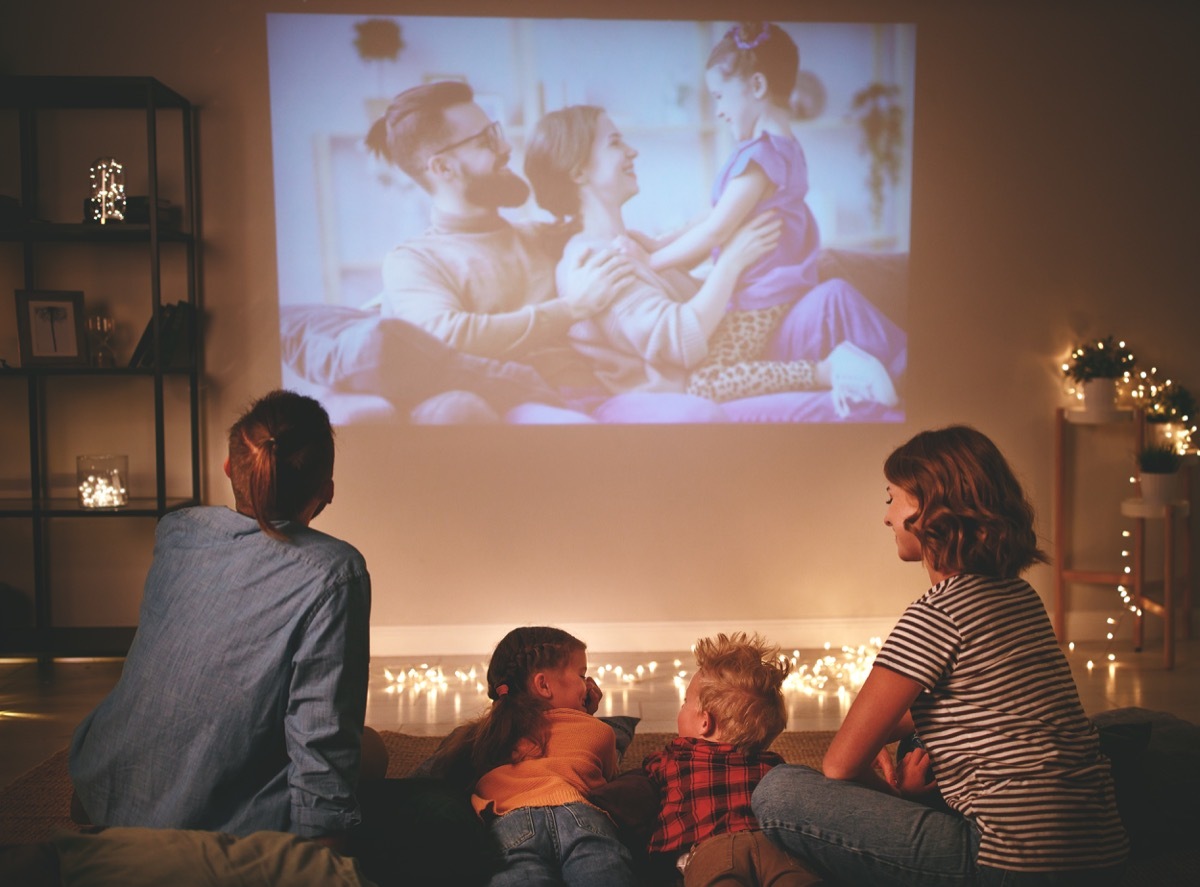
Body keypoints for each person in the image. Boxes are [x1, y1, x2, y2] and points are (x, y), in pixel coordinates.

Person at [751, 426, 1130, 886]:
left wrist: (893, 796)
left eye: (891, 499)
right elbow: (984, 705)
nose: (886, 517)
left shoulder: (934, 615)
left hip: (1004, 863)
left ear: (927, 509)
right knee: (921, 745)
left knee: (780, 789)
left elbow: (840, 764)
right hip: (1104, 851)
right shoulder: (1019, 595)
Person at [69, 390, 377, 847]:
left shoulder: (178, 530)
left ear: (230, 468)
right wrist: (321, 856)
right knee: (372, 752)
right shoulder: (336, 572)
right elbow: (322, 738)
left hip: (101, 794)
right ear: (326, 489)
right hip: (206, 832)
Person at [523, 103, 904, 416]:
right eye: (615, 143)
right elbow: (681, 342)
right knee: (855, 408)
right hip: (697, 389)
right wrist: (731, 263)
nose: (631, 151)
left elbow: (694, 234)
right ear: (578, 172)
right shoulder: (595, 262)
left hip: (725, 357)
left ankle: (926, 384)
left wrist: (738, 207)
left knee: (833, 296)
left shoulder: (628, 241)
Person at [638, 21, 898, 408]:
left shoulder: (761, 159)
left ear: (757, 87)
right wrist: (659, 242)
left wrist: (651, 262)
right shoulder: (782, 149)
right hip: (774, 289)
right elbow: (714, 215)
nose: (720, 111)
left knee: (702, 384)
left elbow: (715, 229)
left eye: (721, 96)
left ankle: (827, 370)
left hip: (761, 297)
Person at [425, 626, 637, 886]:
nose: (589, 685)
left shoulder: (486, 734)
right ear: (544, 685)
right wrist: (585, 716)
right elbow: (607, 782)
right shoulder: (599, 732)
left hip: (511, 822)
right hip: (580, 817)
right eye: (582, 675)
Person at [642, 632, 821, 886]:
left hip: (712, 847)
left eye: (685, 703)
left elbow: (645, 776)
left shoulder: (678, 755)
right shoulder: (773, 764)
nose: (681, 710)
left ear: (705, 722)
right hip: (776, 846)